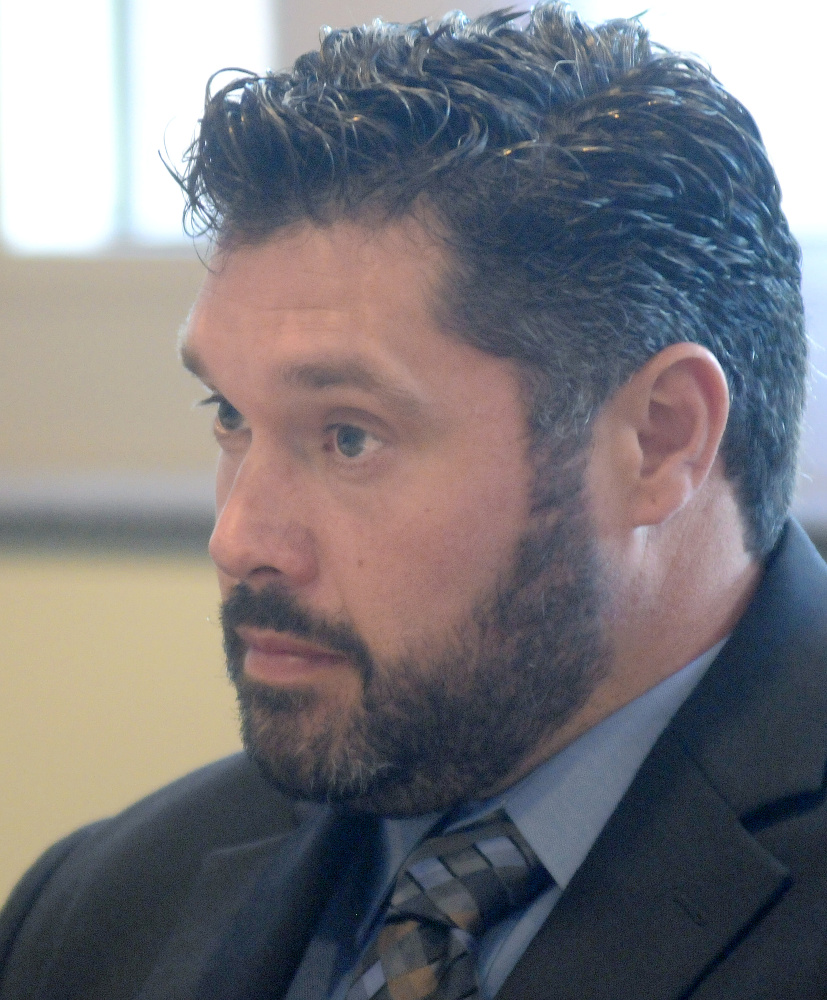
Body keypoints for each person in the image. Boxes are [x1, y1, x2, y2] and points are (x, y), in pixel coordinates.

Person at [1, 3, 824, 998]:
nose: (238, 538)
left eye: (348, 435)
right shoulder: (95, 909)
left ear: (658, 440)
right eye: (229, 414)